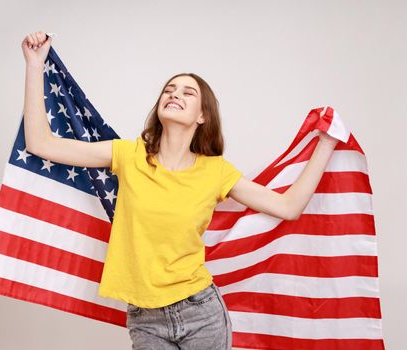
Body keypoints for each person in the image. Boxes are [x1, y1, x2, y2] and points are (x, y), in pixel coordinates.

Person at [21, 31, 339, 350]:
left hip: (201, 313)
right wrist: (35, 65)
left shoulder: (215, 172)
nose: (175, 94)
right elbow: (41, 143)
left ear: (202, 115)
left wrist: (326, 142)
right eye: (169, 90)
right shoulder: (129, 155)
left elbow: (288, 206)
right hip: (146, 319)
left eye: (188, 92)